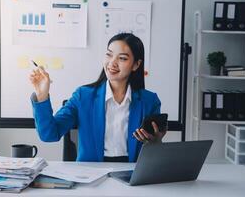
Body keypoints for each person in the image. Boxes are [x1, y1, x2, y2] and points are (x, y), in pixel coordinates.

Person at [30, 33, 165, 162]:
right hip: (91, 173)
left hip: (132, 173)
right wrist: (42, 95)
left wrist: (155, 141)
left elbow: (152, 148)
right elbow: (49, 134)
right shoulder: (83, 96)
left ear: (136, 64)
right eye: (109, 55)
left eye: (122, 58)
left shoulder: (149, 101)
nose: (112, 63)